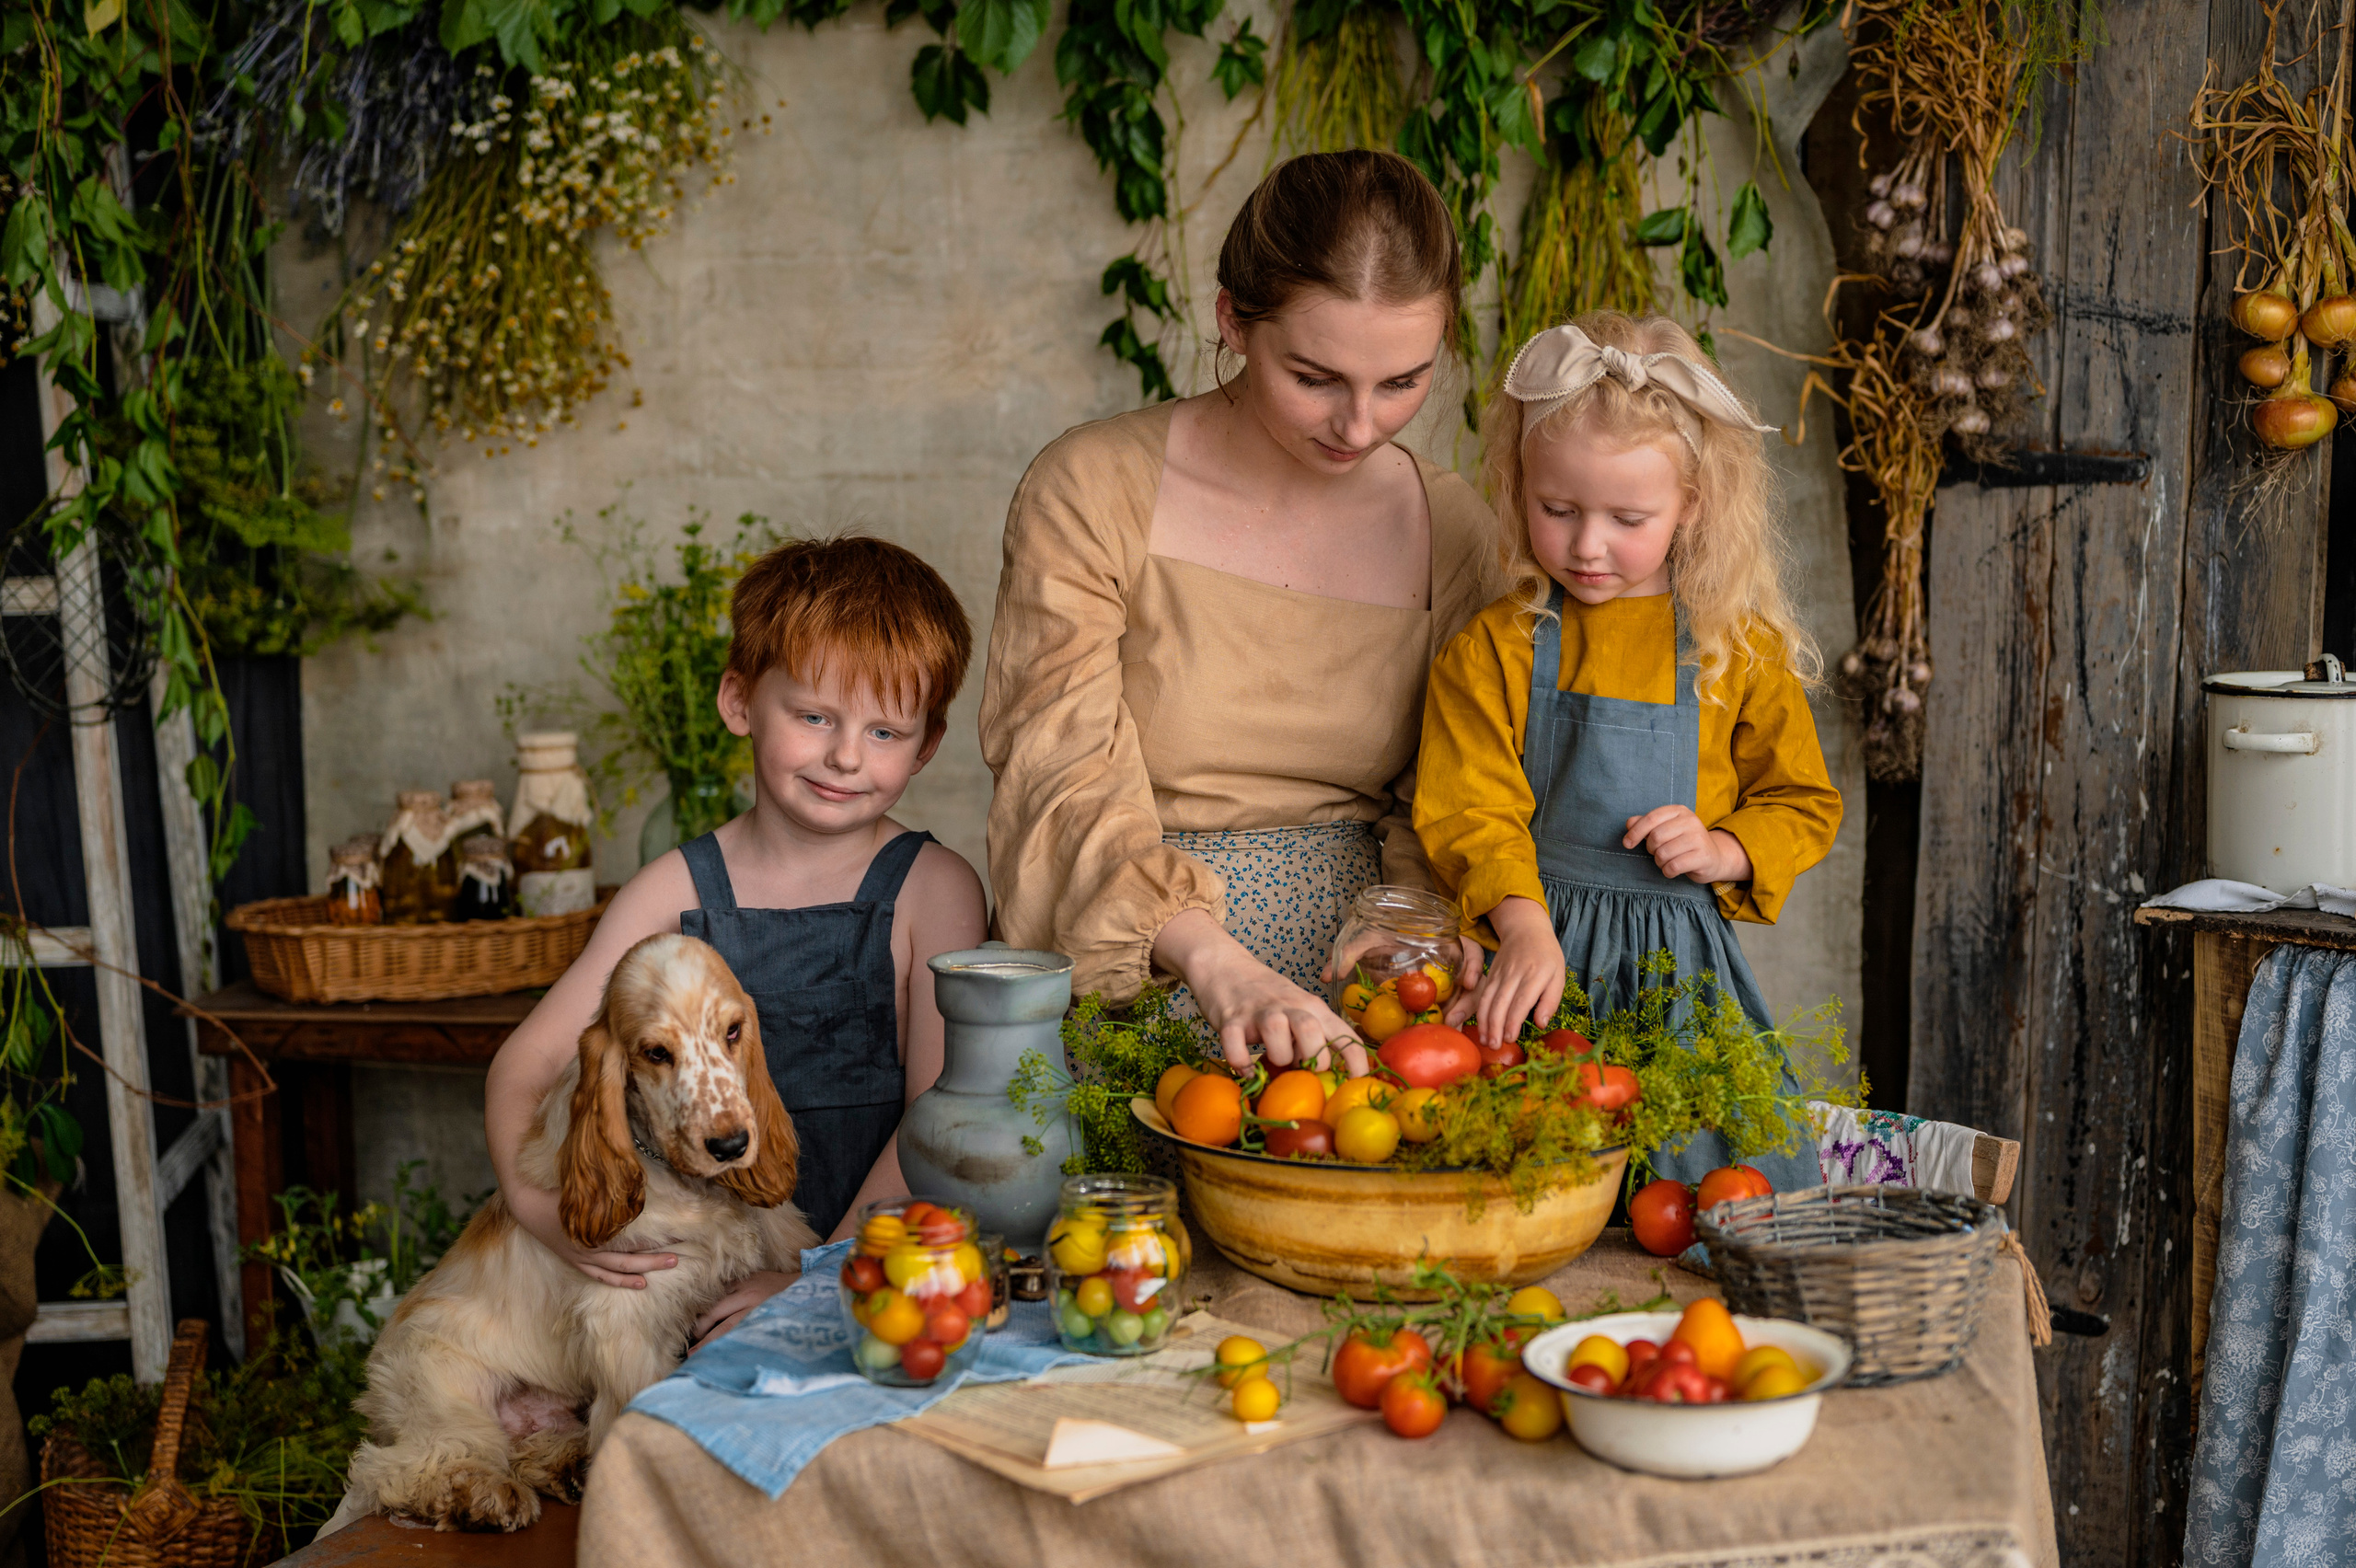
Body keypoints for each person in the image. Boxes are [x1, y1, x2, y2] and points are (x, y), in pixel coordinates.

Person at [980, 150, 1496, 1075]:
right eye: (1316, 377)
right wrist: (1219, 968)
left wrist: (1399, 955)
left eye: (1402, 382)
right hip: (1140, 958)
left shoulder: (1453, 528)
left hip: (1377, 975)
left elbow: (1459, 792)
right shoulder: (1093, 487)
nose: (1360, 425)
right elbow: (1059, 776)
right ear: (1232, 319)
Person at [481, 535, 987, 1342]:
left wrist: (816, 1273)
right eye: (814, 716)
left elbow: (940, 1112)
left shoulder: (936, 890)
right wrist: (533, 1205)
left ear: (928, 743)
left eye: (886, 732)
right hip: (695, 1277)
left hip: (873, 1265)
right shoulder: (672, 890)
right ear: (740, 703)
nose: (846, 756)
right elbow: (528, 1063)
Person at [1415, 312, 1841, 1188]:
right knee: (1514, 1174)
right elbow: (1472, 805)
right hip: (1532, 959)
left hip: (1678, 973)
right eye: (1557, 509)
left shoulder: (1735, 651)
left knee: (1710, 1188)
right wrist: (1524, 928)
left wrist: (1726, 849)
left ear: (1693, 504)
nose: (1587, 544)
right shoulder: (1495, 647)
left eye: (1627, 516)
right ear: (1517, 484)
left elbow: (1803, 802)